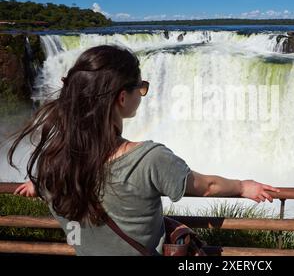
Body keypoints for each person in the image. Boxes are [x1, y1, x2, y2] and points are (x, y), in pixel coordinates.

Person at [8, 45, 280, 256]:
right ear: (122, 97)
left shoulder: (51, 165)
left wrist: (37, 184)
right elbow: (206, 187)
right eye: (141, 87)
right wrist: (243, 186)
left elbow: (55, 178)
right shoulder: (149, 160)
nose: (143, 92)